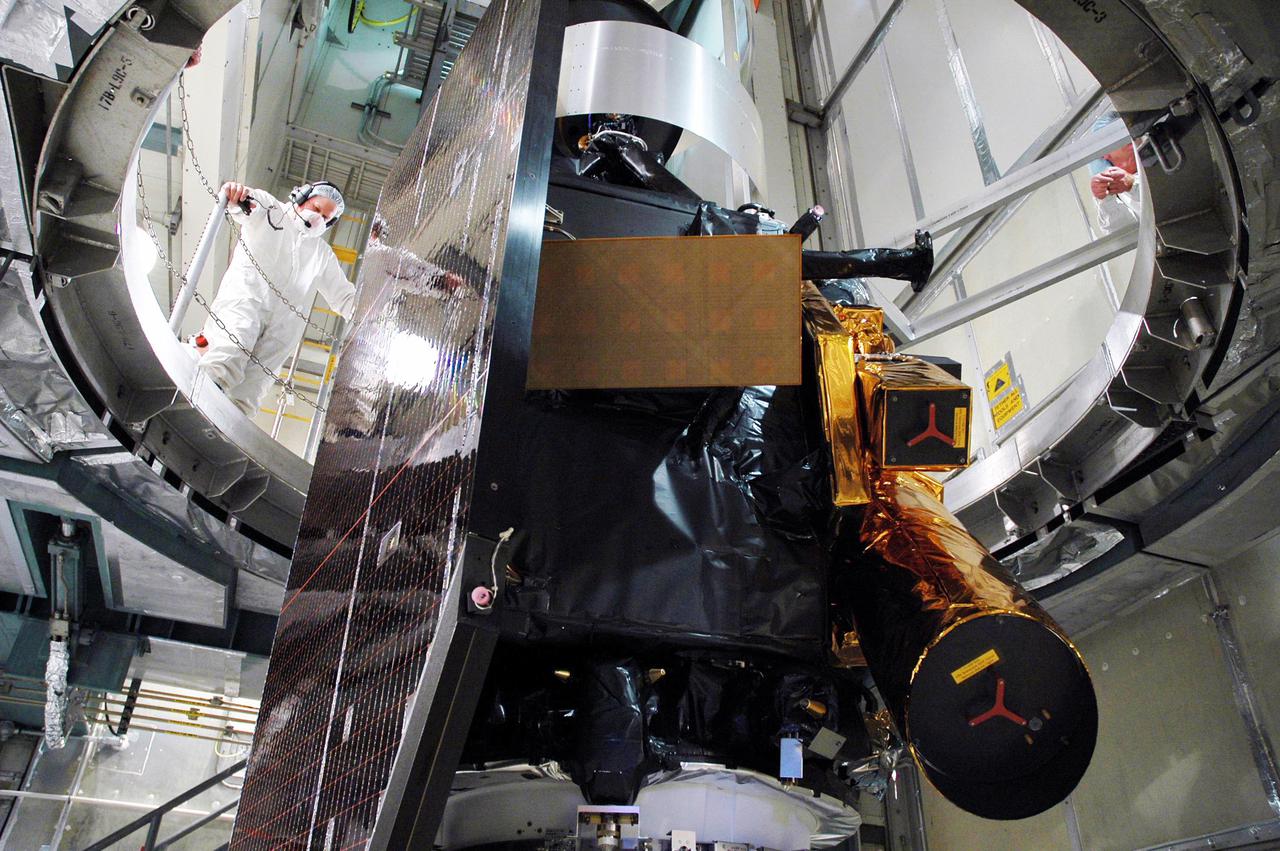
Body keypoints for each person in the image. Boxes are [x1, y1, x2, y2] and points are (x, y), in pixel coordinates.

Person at [195, 179, 357, 416]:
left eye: (326, 218)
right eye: (316, 208)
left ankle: (227, 426)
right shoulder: (271, 209)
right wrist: (236, 195)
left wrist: (369, 316)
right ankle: (198, 400)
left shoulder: (321, 254)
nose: (318, 219)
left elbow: (343, 296)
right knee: (233, 346)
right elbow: (245, 203)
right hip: (248, 298)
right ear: (301, 197)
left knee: (255, 384)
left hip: (284, 326)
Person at [1088, 112, 1141, 235]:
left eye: (1127, 129)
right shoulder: (1116, 193)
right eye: (1115, 135)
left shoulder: (1164, 152)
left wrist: (1132, 183)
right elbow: (1122, 234)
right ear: (1105, 154)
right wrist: (1106, 199)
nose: (1127, 135)